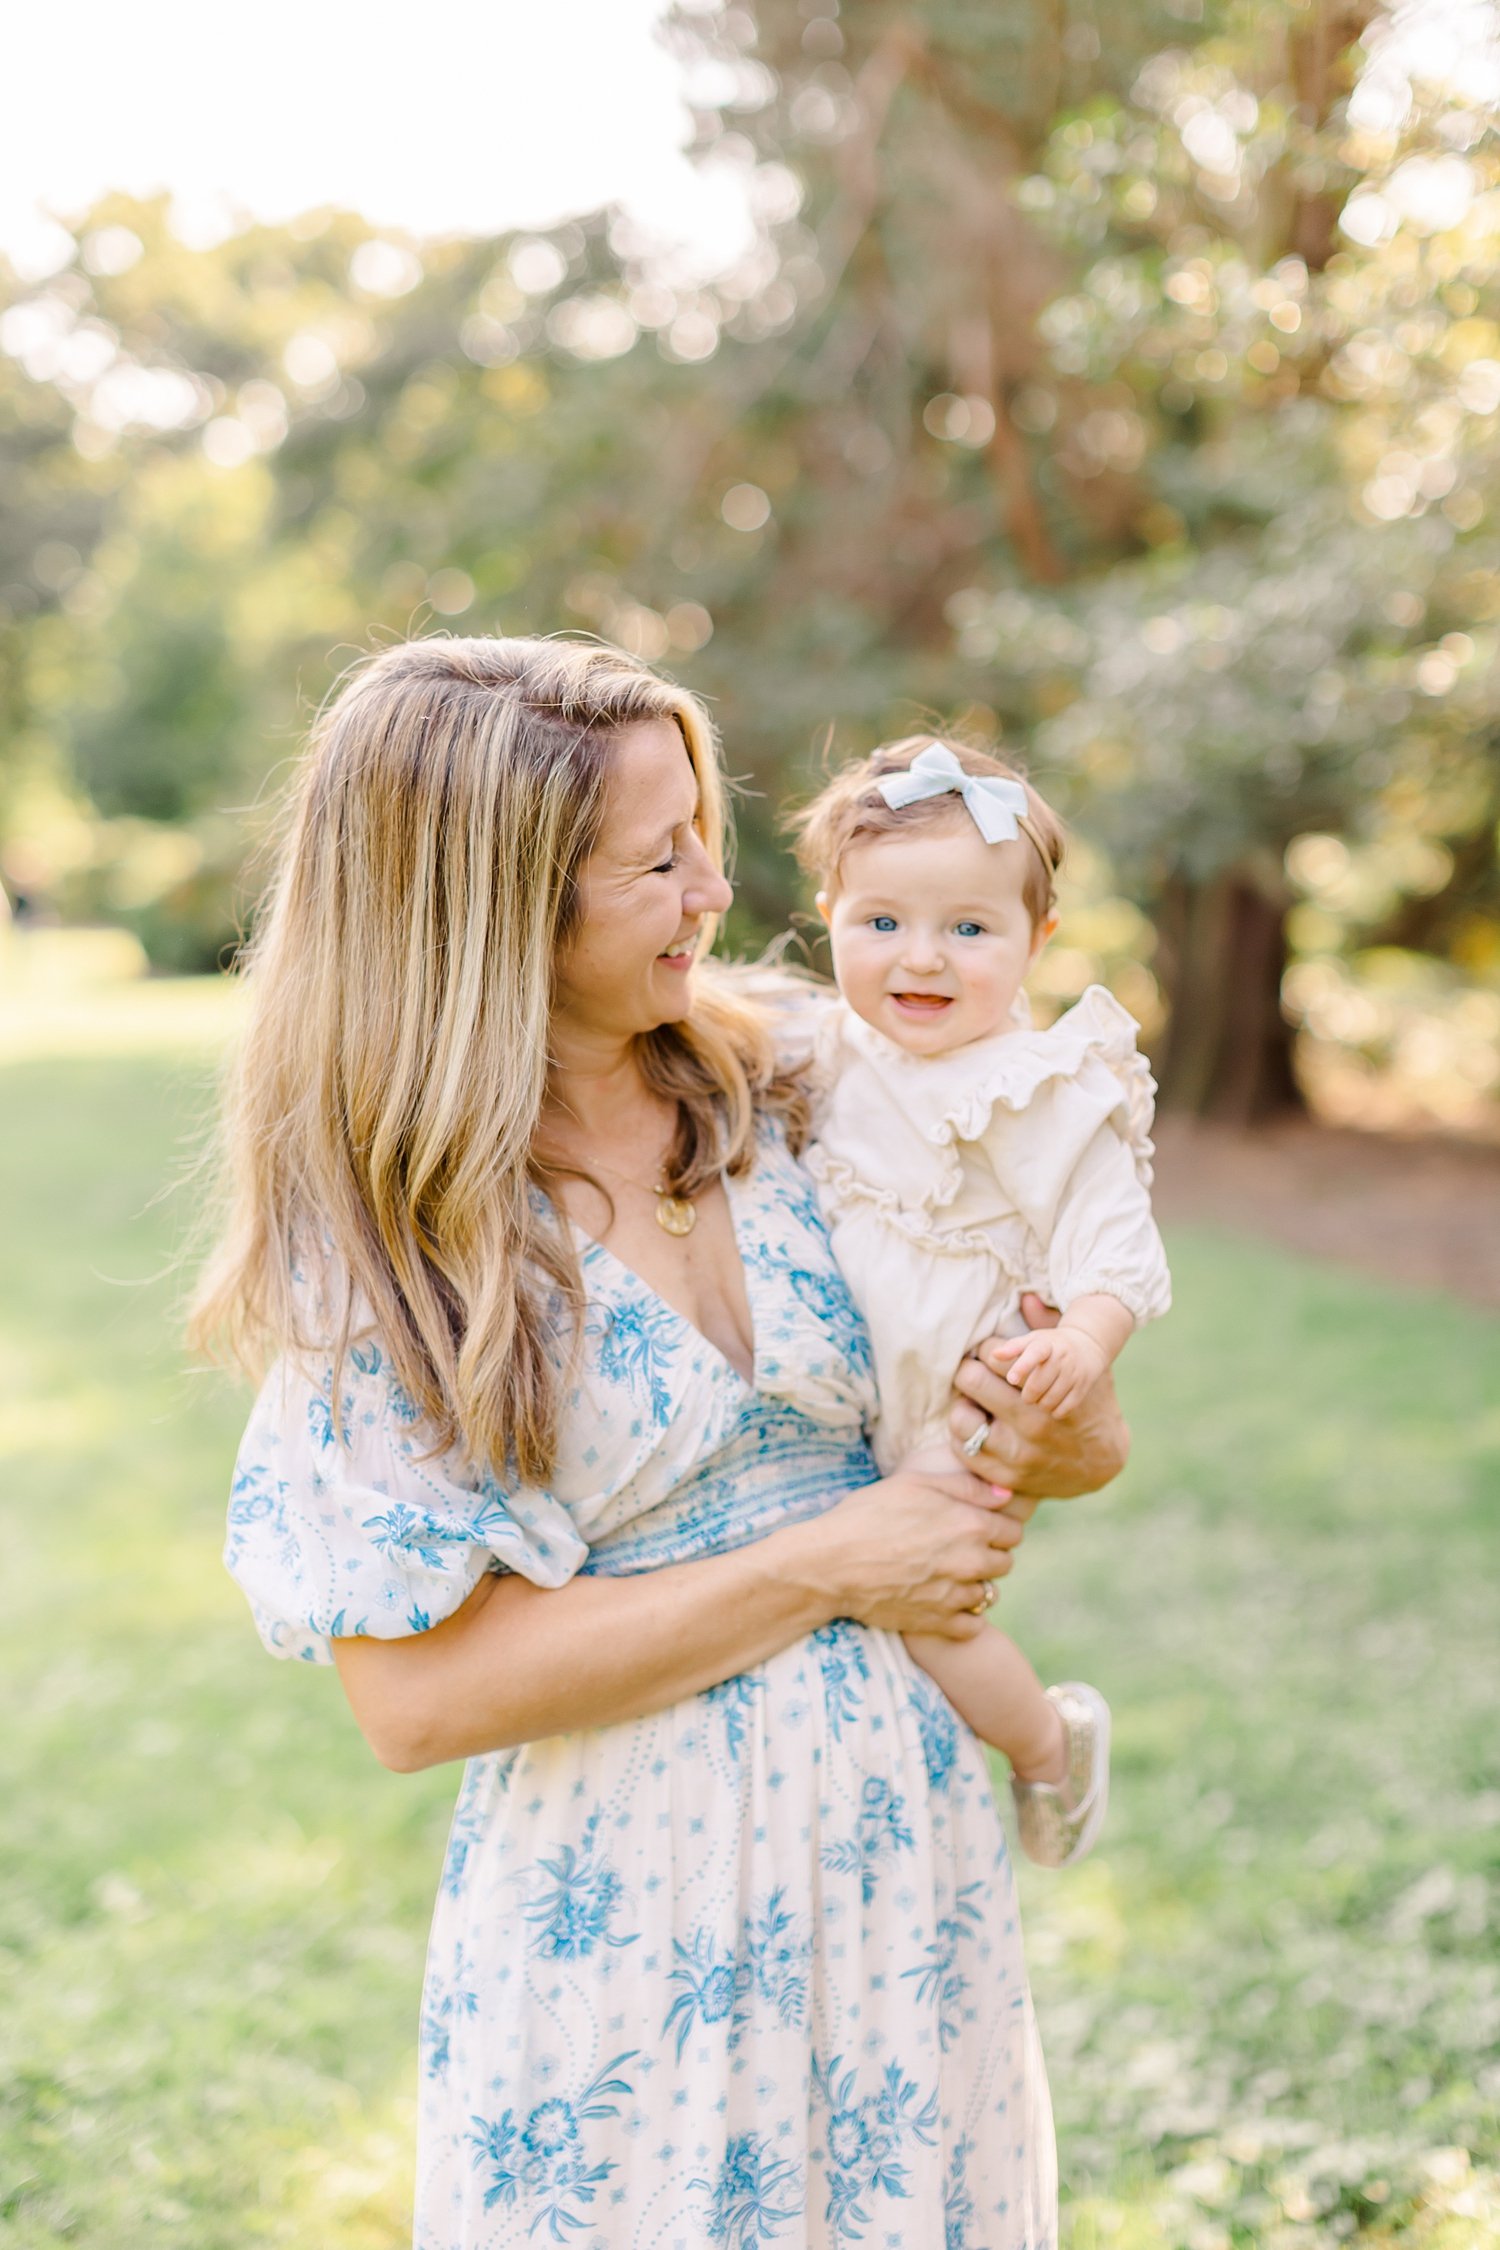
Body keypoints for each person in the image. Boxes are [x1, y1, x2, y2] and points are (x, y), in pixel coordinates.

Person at [192, 636, 1130, 2249]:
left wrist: (1044, 1414)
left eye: (702, 831)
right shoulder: (393, 1251)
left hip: (899, 1874)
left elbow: (1085, 1431)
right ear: (495, 908)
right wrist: (837, 1558)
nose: (719, 886)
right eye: (659, 860)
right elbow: (415, 1704)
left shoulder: (805, 1079)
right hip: (629, 1926)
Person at [793, 737, 1172, 1869]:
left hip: (969, 1398)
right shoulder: (829, 1049)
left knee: (927, 1609)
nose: (924, 959)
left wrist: (1087, 1346)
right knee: (854, 1587)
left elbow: (1115, 1241)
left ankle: (1049, 1751)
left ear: (1035, 942)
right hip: (855, 1388)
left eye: (969, 928)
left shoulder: (1037, 1088)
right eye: (883, 924)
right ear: (829, 914)